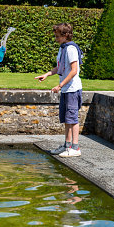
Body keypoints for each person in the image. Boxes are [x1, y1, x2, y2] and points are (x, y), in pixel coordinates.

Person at [35, 23, 83, 157]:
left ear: (65, 35)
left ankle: (76, 148)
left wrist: (60, 85)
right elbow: (60, 67)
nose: (55, 38)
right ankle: (67, 146)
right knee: (67, 118)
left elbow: (74, 71)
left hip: (72, 89)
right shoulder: (63, 48)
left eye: (57, 36)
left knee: (72, 119)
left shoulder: (71, 49)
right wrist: (46, 74)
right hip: (67, 89)